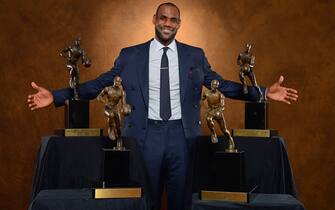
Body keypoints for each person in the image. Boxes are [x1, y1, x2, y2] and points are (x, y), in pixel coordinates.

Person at [27, 2, 298, 210]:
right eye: (163, 18)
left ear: (180, 24)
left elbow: (223, 85)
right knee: (147, 202)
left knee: (182, 202)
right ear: (154, 20)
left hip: (183, 138)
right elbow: (98, 84)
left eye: (173, 20)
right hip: (145, 137)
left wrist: (262, 92)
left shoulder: (195, 55)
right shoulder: (130, 55)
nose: (168, 23)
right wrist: (56, 95)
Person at [202, 80, 237, 152]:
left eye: (215, 85)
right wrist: (205, 107)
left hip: (218, 112)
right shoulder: (206, 93)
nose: (213, 86)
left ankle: (230, 140)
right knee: (208, 119)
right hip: (211, 111)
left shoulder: (220, 95)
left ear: (217, 86)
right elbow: (201, 100)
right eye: (212, 84)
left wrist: (219, 111)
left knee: (224, 130)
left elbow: (222, 106)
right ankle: (213, 134)